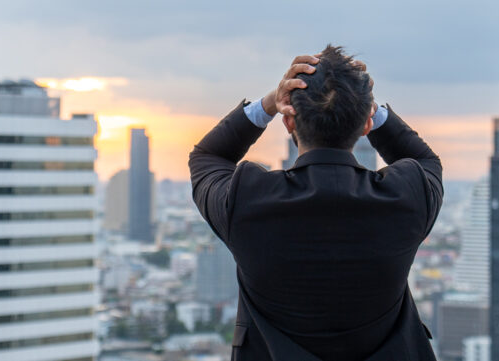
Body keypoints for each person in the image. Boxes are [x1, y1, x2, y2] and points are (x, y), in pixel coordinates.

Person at [189, 45, 443, 361]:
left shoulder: (249, 200)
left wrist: (269, 104)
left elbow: (207, 157)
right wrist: (370, 108)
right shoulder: (405, 197)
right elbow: (425, 159)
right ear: (366, 126)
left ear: (289, 122)